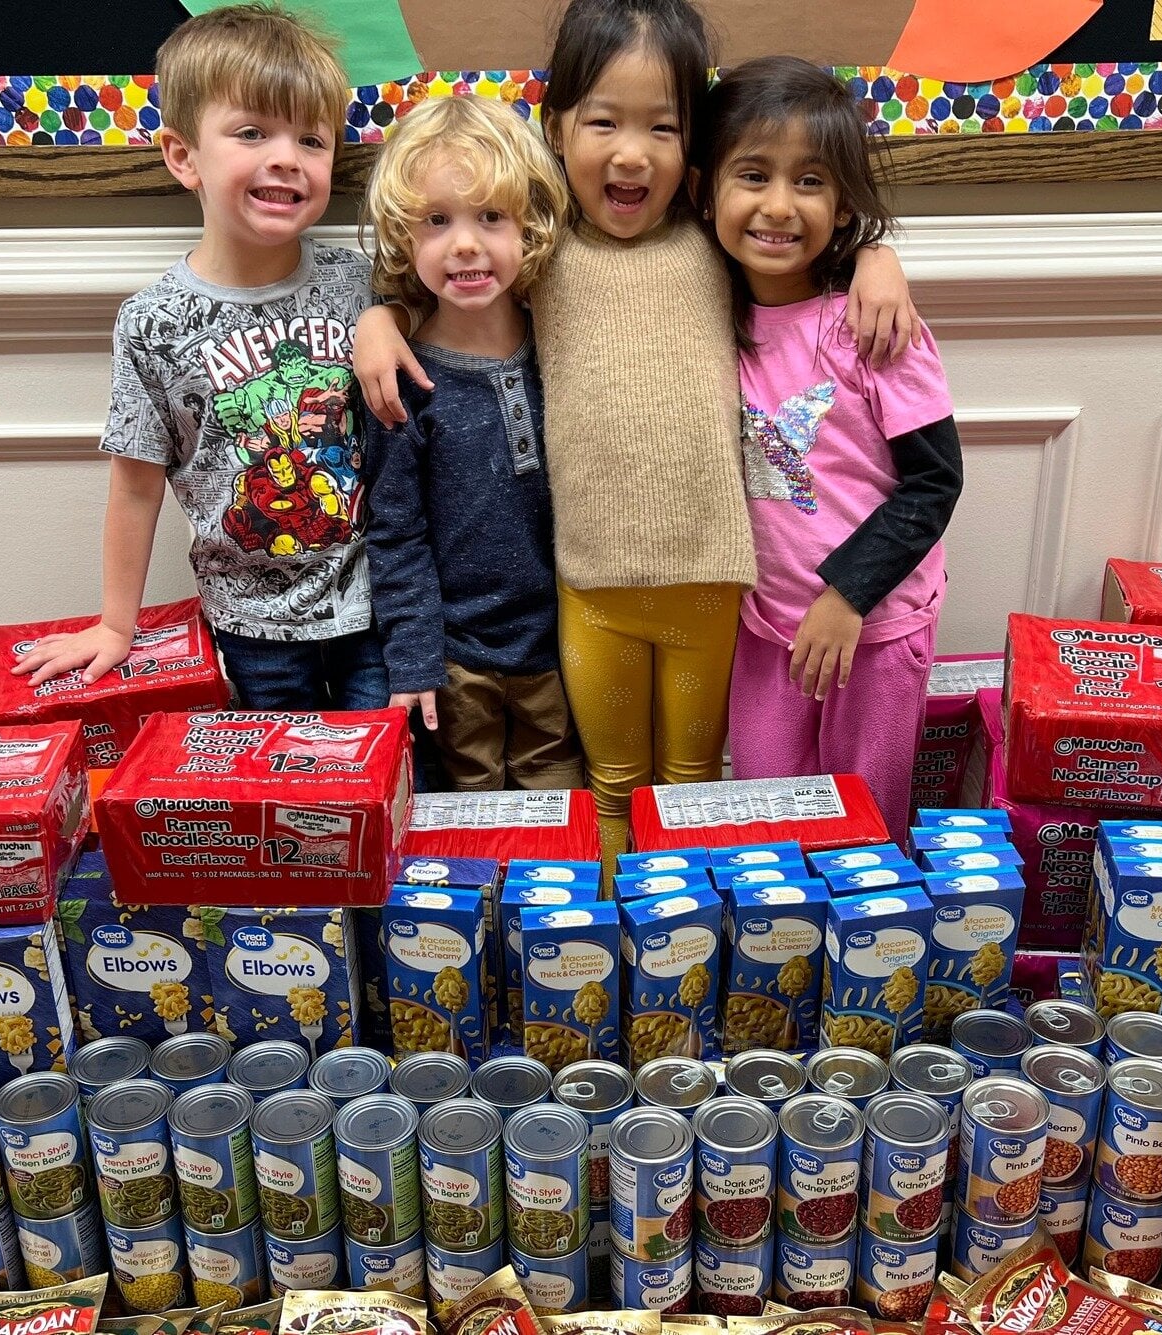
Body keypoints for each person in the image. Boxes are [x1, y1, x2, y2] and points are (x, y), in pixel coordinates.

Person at [356, 0, 920, 864]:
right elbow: (456, 271)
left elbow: (799, 239)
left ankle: (681, 931)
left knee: (690, 783)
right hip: (591, 590)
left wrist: (877, 255)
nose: (631, 153)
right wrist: (381, 316)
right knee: (610, 785)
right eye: (604, 122)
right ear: (556, 129)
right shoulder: (542, 248)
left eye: (662, 126)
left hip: (709, 585)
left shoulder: (713, 236)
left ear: (693, 149)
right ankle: (612, 933)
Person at [13, 4, 386, 711]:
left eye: (312, 139)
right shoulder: (150, 323)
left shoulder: (362, 285)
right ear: (184, 157)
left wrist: (386, 320)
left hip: (374, 606)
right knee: (282, 778)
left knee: (392, 768)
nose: (287, 156)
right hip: (250, 624)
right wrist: (115, 624)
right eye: (252, 132)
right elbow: (135, 485)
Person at [698, 56, 963, 845]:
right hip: (766, 627)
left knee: (864, 834)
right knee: (764, 825)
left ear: (843, 204)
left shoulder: (873, 327)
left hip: (872, 632)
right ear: (706, 189)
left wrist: (847, 597)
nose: (779, 205)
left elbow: (934, 482)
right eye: (753, 175)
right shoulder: (702, 311)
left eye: (809, 181)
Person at [359, 95, 585, 791]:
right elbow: (395, 532)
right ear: (404, 238)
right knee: (469, 815)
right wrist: (415, 658)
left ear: (530, 226)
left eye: (491, 216)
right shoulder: (403, 381)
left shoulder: (561, 349)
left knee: (557, 806)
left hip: (561, 647)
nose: (464, 243)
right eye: (437, 221)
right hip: (456, 661)